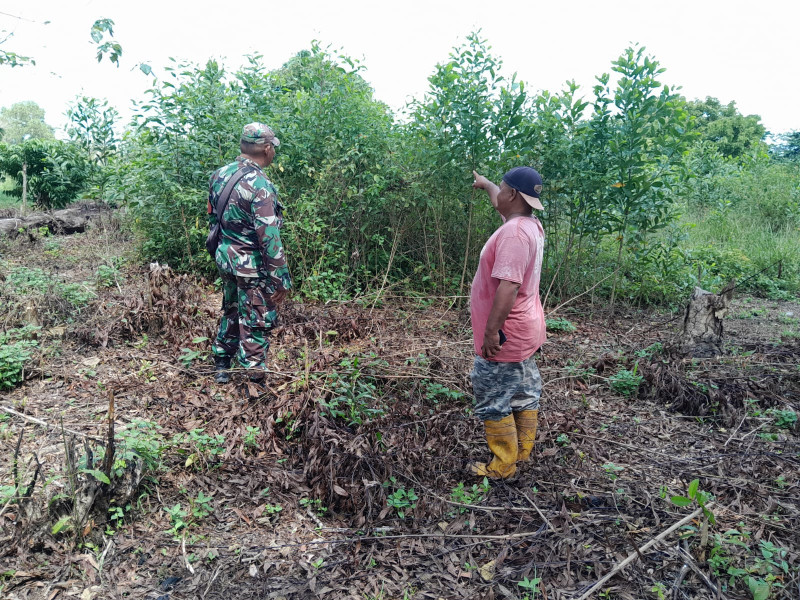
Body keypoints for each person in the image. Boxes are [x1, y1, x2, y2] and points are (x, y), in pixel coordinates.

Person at [468, 166, 547, 479]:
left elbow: (509, 286)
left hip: (506, 334)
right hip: (526, 330)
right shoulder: (528, 224)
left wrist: (491, 332)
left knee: (493, 396)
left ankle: (502, 466)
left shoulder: (514, 235)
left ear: (513, 194)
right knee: (523, 392)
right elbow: (501, 205)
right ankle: (522, 453)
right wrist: (488, 185)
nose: (498, 193)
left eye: (502, 188)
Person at [207, 123, 292, 385]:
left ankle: (222, 363)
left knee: (232, 308)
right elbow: (269, 236)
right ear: (266, 149)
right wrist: (281, 278)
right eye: (272, 148)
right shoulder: (261, 185)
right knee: (256, 318)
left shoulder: (219, 175)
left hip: (225, 259)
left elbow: (213, 219)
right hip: (251, 266)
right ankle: (254, 379)